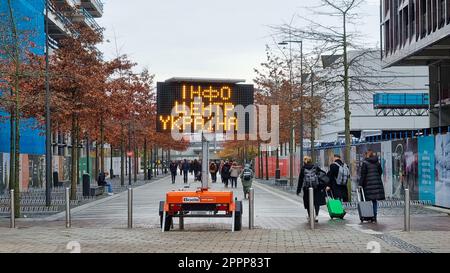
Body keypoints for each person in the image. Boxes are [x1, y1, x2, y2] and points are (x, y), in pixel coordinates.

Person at [296, 156, 327, 223]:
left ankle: (310, 216)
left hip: (307, 188)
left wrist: (298, 190)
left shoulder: (303, 168)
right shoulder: (315, 167)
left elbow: (300, 180)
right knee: (316, 202)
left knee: (308, 202)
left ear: (304, 161)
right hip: (316, 187)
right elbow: (323, 173)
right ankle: (316, 216)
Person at [359, 149, 385, 223]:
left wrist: (360, 184)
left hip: (368, 184)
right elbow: (380, 172)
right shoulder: (377, 162)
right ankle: (374, 216)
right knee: (374, 200)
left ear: (366, 154)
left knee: (367, 200)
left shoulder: (365, 163)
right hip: (376, 183)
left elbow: (363, 175)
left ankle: (368, 215)